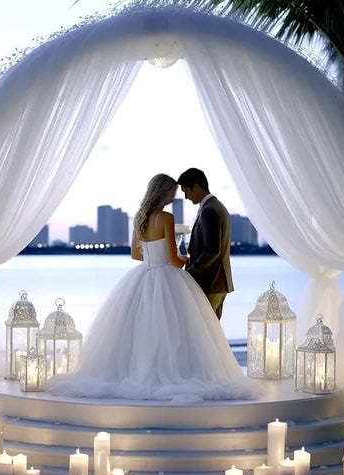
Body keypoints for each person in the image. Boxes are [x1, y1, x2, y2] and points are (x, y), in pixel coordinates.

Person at [46, 173, 257, 403]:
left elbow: (136, 254)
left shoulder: (139, 217)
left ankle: (134, 371)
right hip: (166, 276)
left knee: (138, 328)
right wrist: (185, 259)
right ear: (165, 193)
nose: (176, 196)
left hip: (143, 274)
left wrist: (154, 257)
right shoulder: (166, 218)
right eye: (173, 193)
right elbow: (174, 260)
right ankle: (174, 371)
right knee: (176, 329)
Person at [177, 168, 233, 319]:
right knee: (212, 333)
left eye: (186, 191)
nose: (186, 197)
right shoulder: (215, 206)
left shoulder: (209, 210)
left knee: (205, 330)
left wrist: (191, 272)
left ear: (196, 186)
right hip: (217, 282)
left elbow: (213, 249)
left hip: (211, 283)